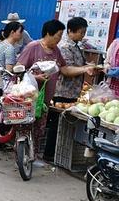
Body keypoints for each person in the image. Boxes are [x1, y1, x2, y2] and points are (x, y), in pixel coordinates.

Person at [18, 19, 95, 165]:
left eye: (61, 36)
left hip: (46, 99)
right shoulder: (33, 47)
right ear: (48, 33)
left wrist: (85, 68)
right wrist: (36, 77)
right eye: (58, 35)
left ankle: (32, 156)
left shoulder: (56, 51)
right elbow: (18, 69)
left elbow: (64, 69)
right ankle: (22, 154)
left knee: (40, 129)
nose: (59, 39)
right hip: (30, 97)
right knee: (26, 128)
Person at [54, 17, 92, 105]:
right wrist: (85, 68)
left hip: (73, 92)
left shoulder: (75, 45)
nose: (83, 35)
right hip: (63, 92)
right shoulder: (65, 46)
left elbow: (77, 63)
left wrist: (90, 66)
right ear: (70, 31)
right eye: (81, 32)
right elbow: (67, 70)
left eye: (84, 32)